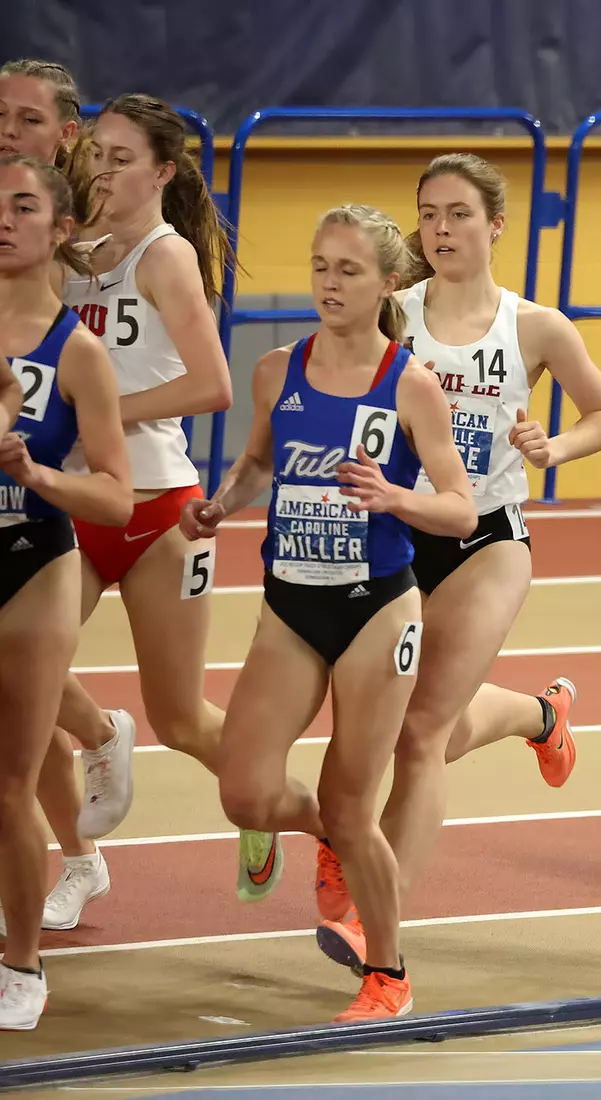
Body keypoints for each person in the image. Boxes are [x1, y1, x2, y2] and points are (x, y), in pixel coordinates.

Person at [311, 153, 601, 966]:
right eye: (428, 214)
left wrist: (552, 446)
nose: (441, 230)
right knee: (398, 730)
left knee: (419, 734)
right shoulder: (392, 309)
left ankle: (376, 925)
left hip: (487, 540)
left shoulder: (535, 327)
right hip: (396, 534)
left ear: (496, 224)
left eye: (458, 214)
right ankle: (538, 715)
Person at [182, 204, 475, 1022]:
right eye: (319, 267)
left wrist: (396, 496)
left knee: (355, 804)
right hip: (290, 602)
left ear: (387, 283)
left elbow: (458, 510)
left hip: (376, 608)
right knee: (243, 792)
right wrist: (220, 505)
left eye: (348, 270)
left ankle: (388, 973)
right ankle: (331, 834)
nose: (329, 283)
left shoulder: (409, 383)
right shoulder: (279, 370)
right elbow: (256, 464)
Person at [54, 94, 259, 912]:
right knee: (14, 670)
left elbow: (212, 385)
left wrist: (99, 409)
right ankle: (99, 747)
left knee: (181, 718)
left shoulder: (165, 258)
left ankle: (277, 804)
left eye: (122, 157)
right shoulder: (65, 249)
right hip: (71, 502)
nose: (102, 169)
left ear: (163, 172)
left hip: (155, 510)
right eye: (96, 152)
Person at [0, 154, 131, 1031]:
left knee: (9, 781)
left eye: (21, 206)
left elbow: (116, 494)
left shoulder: (77, 351)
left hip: (33, 562)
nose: (3, 219)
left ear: (61, 228)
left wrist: (37, 472)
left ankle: (22, 965)